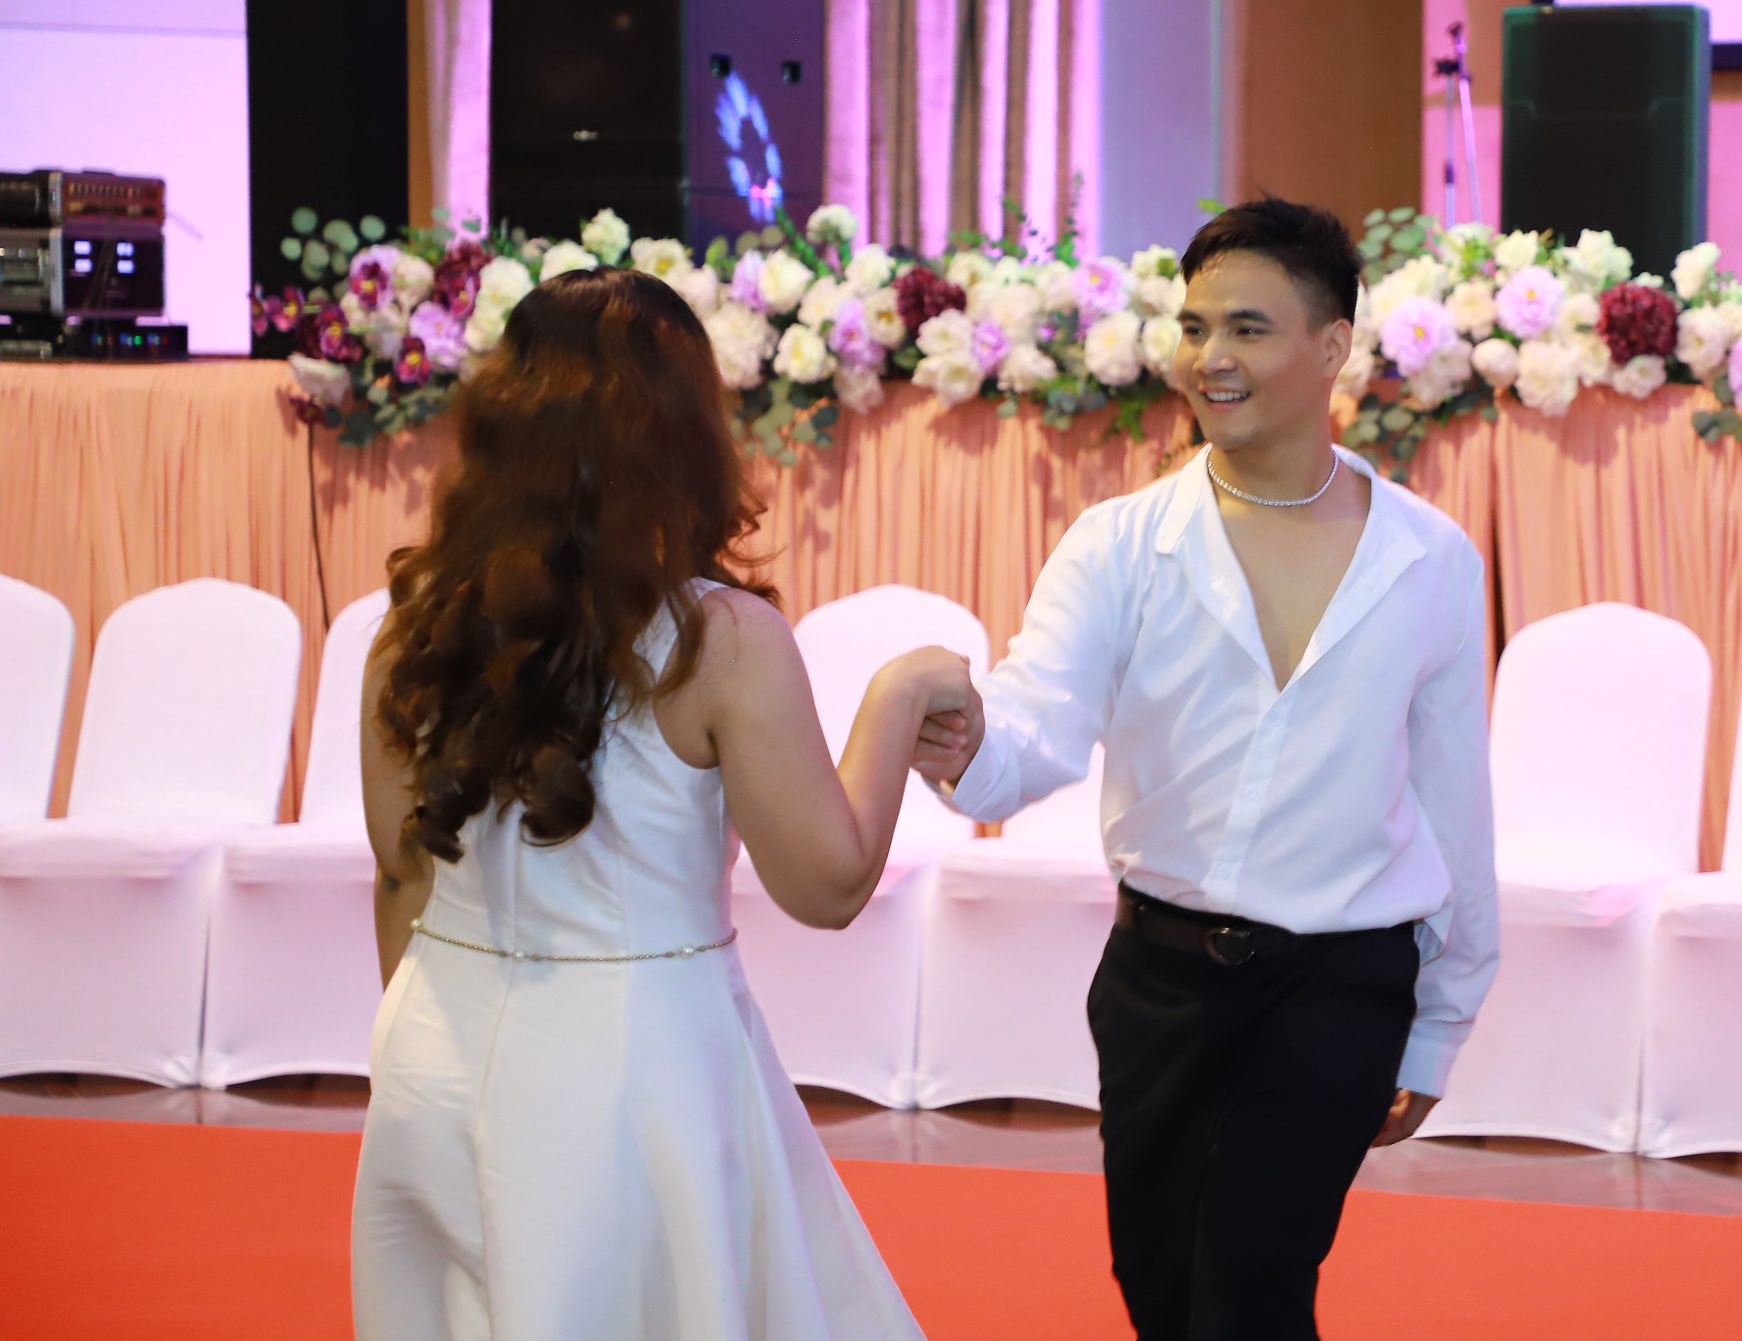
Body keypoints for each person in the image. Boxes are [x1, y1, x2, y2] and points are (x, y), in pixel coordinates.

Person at [913, 198, 1498, 1341]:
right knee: (1163, 1291)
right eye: (1193, 328)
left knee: (1249, 1287)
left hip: (1341, 988)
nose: (1208, 359)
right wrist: (973, 745)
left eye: (1246, 329)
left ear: (1331, 346)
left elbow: (1453, 806)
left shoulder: (1429, 558)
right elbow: (1037, 719)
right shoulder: (1119, 543)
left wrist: (1441, 1019)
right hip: (1158, 988)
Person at [350, 266, 965, 1340]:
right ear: (681, 431)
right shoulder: (717, 639)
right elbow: (826, 883)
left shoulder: (413, 626)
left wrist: (428, 1046)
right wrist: (898, 695)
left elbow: (401, 876)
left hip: (429, 1050)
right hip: (631, 1070)